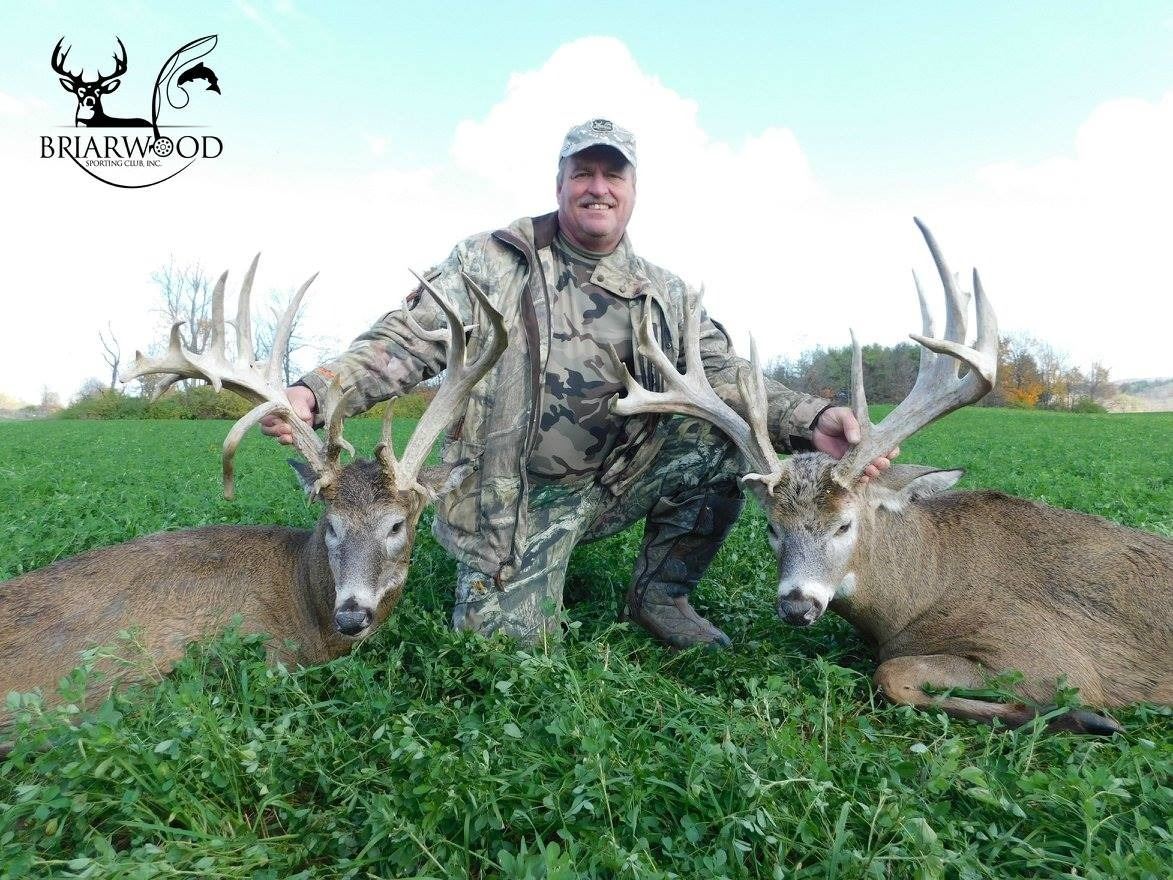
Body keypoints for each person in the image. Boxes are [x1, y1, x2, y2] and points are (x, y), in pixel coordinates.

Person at [262, 118, 895, 649]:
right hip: (509, 503)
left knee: (726, 442)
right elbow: (407, 339)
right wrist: (317, 391)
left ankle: (661, 595)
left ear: (632, 189)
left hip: (615, 481)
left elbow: (726, 374)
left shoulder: (664, 294)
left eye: (612, 175)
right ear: (560, 183)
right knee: (502, 652)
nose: (598, 188)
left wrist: (813, 418)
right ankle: (518, 576)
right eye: (583, 173)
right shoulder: (491, 263)